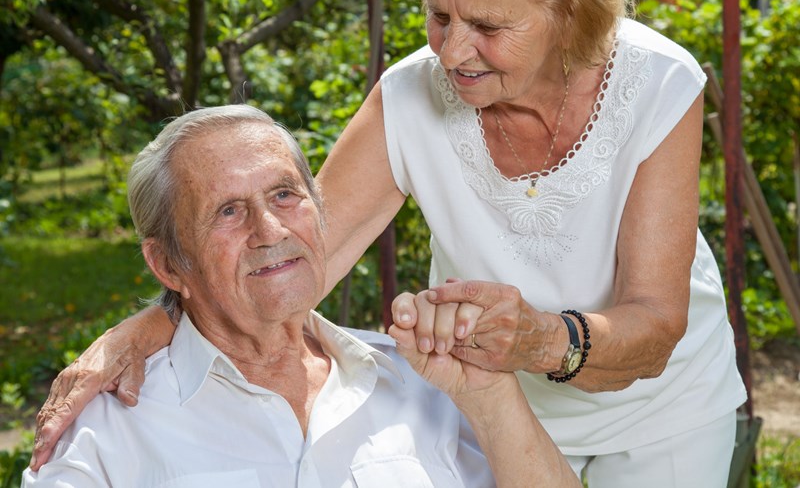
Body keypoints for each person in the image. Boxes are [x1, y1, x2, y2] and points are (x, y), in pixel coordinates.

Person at [32, 0, 746, 486]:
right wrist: (144, 326)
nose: (454, 50)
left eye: (488, 26)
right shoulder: (411, 95)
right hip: (485, 402)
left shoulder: (657, 81)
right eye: (439, 16)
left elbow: (654, 326)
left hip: (660, 407)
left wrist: (530, 339)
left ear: (568, 12)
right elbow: (293, 255)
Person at [23, 104, 579, 487]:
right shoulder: (109, 423)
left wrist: (490, 396)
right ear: (169, 264)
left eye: (286, 195)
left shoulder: (417, 380)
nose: (270, 230)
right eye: (228, 211)